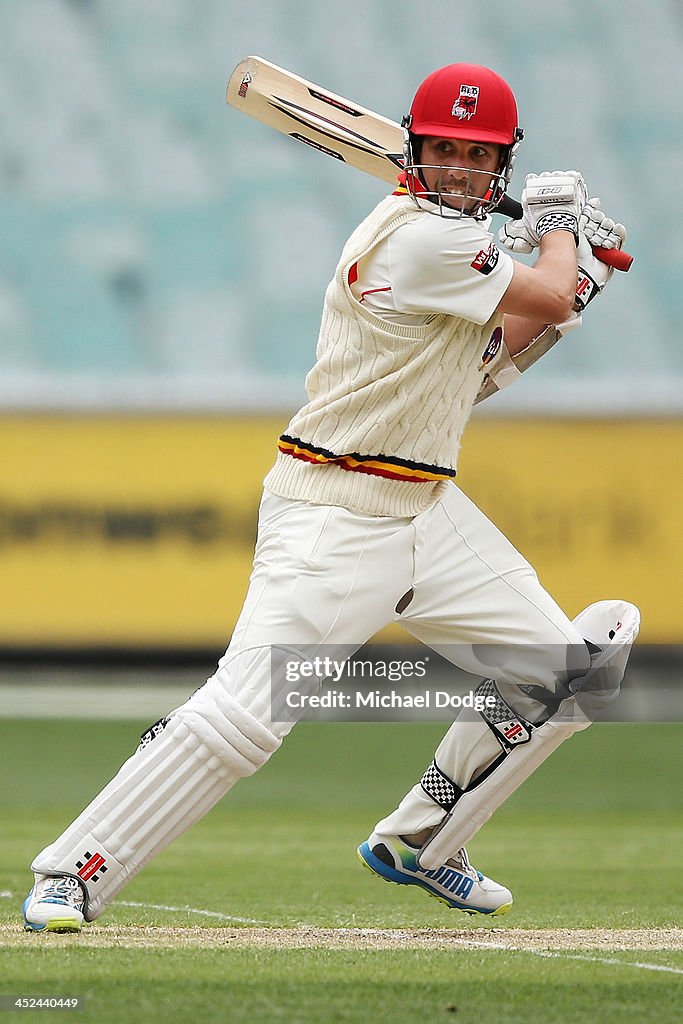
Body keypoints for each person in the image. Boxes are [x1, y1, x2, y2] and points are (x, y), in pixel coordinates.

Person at [23, 62, 637, 933]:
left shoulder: (456, 250)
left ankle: (424, 838)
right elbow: (544, 290)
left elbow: (502, 346)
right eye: (443, 150)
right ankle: (71, 872)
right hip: (337, 513)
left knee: (568, 676)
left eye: (477, 155)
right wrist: (563, 236)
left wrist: (576, 269)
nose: (460, 169)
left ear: (499, 164)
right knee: (246, 720)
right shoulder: (419, 238)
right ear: (413, 152)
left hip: (426, 508)